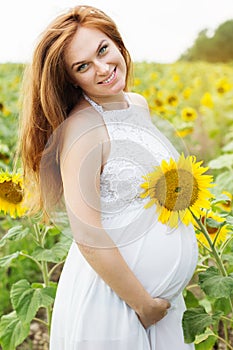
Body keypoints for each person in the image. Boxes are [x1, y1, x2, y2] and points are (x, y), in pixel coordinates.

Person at [18, 5, 198, 350]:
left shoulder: (137, 105)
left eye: (103, 50)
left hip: (159, 307)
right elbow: (87, 233)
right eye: (83, 66)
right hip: (115, 304)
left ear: (116, 43)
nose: (103, 68)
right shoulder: (82, 130)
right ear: (71, 78)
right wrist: (141, 304)